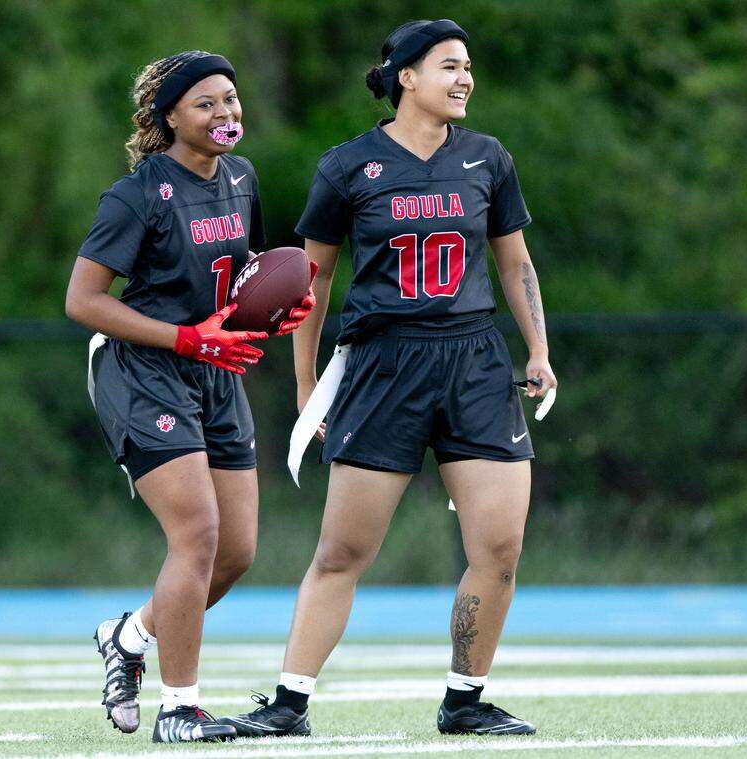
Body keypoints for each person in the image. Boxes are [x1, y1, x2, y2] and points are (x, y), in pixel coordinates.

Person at [220, 19, 556, 737]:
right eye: (449, 66)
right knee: (343, 551)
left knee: (499, 548)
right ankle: (289, 702)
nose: (465, 78)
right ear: (406, 76)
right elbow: (307, 279)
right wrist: (307, 381)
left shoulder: (488, 160)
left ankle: (465, 698)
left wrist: (538, 349)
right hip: (383, 364)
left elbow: (515, 264)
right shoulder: (349, 166)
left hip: (473, 360)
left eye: (469, 67)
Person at [65, 50, 312, 743]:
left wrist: (281, 307)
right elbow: (82, 300)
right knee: (197, 534)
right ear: (168, 117)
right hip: (146, 370)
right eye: (205, 103)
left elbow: (254, 274)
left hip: (217, 371)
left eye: (230, 98)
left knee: (235, 551)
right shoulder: (138, 194)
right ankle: (180, 710)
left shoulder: (242, 176)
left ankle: (130, 634)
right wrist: (186, 339)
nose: (225, 113)